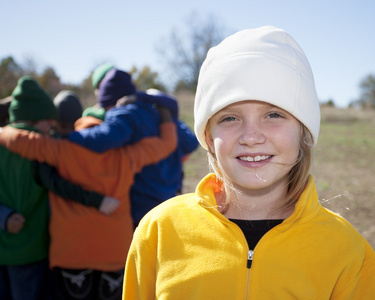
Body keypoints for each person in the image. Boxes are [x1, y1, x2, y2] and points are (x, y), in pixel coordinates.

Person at [122, 26, 375, 299]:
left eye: (274, 115)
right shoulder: (159, 231)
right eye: (230, 118)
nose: (251, 137)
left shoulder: (347, 250)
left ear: (303, 130)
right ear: (208, 136)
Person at [0, 93, 177, 300]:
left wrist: (2, 130)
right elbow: (167, 144)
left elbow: (21, 140)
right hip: (115, 251)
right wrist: (164, 113)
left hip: (72, 251)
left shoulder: (61, 149)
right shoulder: (125, 154)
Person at [69, 68, 199, 227]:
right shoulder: (159, 114)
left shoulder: (124, 114)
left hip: (142, 204)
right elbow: (191, 143)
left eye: (105, 108)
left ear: (113, 102)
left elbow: (104, 138)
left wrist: (68, 137)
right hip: (170, 199)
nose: (105, 113)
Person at [0, 76, 58, 300]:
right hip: (31, 251)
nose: (51, 127)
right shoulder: (42, 148)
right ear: (37, 118)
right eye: (48, 121)